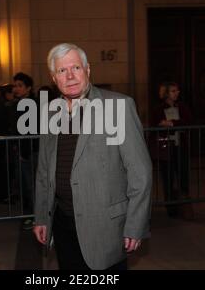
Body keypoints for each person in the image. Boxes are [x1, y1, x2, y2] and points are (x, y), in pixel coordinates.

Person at [33, 43, 152, 270]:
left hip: (105, 228)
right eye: (62, 71)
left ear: (87, 70)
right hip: (62, 223)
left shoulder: (118, 106)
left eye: (76, 68)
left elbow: (141, 174)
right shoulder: (50, 111)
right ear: (53, 77)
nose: (70, 76)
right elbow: (43, 171)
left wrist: (135, 226)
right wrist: (41, 216)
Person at [149, 82, 192, 218]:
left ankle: (184, 205)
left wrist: (172, 123)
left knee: (183, 176)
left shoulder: (182, 107)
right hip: (165, 148)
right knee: (167, 178)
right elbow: (156, 124)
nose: (176, 93)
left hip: (180, 147)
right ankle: (171, 208)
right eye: (173, 91)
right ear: (167, 93)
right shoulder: (159, 109)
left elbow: (188, 121)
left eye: (177, 90)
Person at [10, 73, 38, 230]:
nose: (16, 88)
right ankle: (30, 215)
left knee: (31, 185)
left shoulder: (31, 104)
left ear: (28, 88)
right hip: (21, 150)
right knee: (24, 185)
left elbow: (29, 131)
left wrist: (24, 152)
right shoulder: (18, 103)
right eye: (15, 85)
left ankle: (36, 217)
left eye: (20, 85)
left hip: (29, 151)